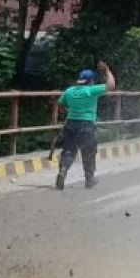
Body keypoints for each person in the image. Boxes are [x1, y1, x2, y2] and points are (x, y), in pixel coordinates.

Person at [54, 62, 116, 191]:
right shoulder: (91, 90)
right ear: (91, 81)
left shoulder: (69, 91)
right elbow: (111, 85)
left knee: (69, 151)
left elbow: (60, 104)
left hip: (71, 123)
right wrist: (107, 70)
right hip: (86, 125)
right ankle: (89, 180)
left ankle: (63, 170)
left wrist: (68, 111)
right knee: (88, 152)